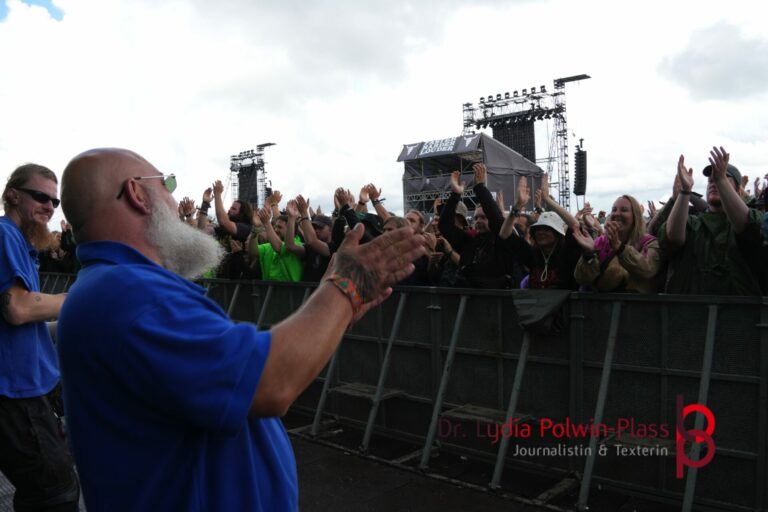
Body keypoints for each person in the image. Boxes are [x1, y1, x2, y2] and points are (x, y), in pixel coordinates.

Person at [56, 148, 425, 511]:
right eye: (167, 184)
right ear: (136, 193)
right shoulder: (132, 295)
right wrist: (345, 289)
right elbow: (270, 383)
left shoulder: (116, 286)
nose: (172, 199)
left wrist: (336, 301)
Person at [0, 163, 80, 511]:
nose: (49, 207)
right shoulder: (5, 235)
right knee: (55, 493)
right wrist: (75, 301)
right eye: (41, 197)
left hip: (21, 388)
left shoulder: (20, 242)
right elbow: (17, 309)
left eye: (55, 202)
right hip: (15, 393)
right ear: (12, 195)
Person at [659, 147, 763, 295]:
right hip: (691, 313)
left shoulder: (752, 219)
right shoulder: (694, 223)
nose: (714, 181)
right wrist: (685, 191)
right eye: (710, 181)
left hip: (739, 314)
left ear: (739, 191)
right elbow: (672, 237)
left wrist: (721, 181)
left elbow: (748, 227)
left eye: (722, 178)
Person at [438, 163, 515, 289]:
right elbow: (445, 226)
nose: (478, 221)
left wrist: (479, 188)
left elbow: (496, 220)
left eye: (483, 217)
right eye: (476, 218)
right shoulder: (470, 241)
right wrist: (455, 195)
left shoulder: (502, 241)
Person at [573, 195, 661, 293]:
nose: (617, 213)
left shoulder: (649, 243)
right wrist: (589, 255)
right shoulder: (600, 242)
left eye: (624, 210)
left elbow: (648, 269)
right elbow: (581, 279)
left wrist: (620, 248)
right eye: (614, 210)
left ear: (635, 216)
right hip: (598, 306)